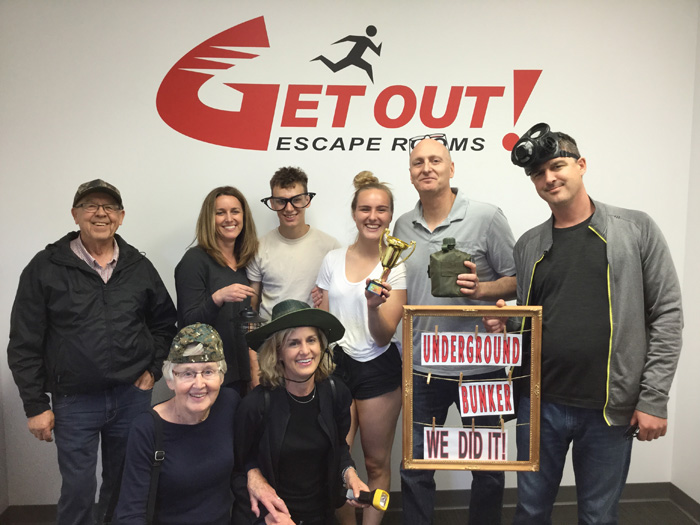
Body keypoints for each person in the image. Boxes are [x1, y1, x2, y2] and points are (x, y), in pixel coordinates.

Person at [502, 123, 683, 524]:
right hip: (539, 403)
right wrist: (509, 324)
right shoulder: (528, 244)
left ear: (581, 165)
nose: (549, 178)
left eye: (557, 166)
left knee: (599, 516)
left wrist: (654, 398)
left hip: (609, 408)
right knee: (529, 511)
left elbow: (667, 314)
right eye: (538, 173)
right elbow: (536, 318)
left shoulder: (635, 229)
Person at [7, 179, 177, 525]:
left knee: (124, 485)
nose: (100, 213)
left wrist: (152, 371)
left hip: (130, 397)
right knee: (78, 490)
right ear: (75, 214)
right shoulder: (45, 267)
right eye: (90, 206)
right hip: (74, 401)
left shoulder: (138, 267)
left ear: (121, 216)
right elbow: (24, 341)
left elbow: (164, 323)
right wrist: (35, 405)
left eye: (109, 207)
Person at [393, 136, 517, 525]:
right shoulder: (402, 225)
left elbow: (517, 279)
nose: (426, 168)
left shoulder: (486, 217)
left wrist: (483, 291)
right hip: (422, 367)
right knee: (415, 467)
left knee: (488, 468)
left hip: (483, 365)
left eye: (435, 160)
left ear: (451, 168)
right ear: (410, 174)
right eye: (418, 162)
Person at [316, 171, 406, 525]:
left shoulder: (395, 266)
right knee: (336, 460)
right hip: (335, 366)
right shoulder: (332, 259)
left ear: (390, 215)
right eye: (365, 209)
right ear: (354, 213)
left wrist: (372, 307)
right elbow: (324, 323)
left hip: (378, 367)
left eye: (381, 209)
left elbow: (383, 336)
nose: (373, 216)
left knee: (375, 463)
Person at [232, 299, 371, 525]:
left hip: (322, 516)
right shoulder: (255, 405)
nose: (305, 351)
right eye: (293, 343)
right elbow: (238, 468)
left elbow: (339, 447)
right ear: (278, 352)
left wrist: (349, 474)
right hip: (273, 518)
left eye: (311, 340)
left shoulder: (336, 393)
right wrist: (267, 513)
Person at [114, 323, 240, 524]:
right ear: (170, 380)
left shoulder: (229, 405)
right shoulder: (147, 428)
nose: (199, 384)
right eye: (187, 373)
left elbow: (247, 462)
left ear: (221, 377)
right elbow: (130, 513)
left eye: (208, 371)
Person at [175, 186, 259, 395]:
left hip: (242, 374)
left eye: (235, 211)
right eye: (220, 213)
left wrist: (253, 367)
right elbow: (188, 323)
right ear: (209, 219)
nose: (229, 219)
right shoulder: (194, 261)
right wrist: (217, 298)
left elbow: (248, 323)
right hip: (208, 378)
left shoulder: (247, 261)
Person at [247, 166, 340, 321]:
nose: (289, 208)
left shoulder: (330, 247)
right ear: (272, 203)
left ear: (307, 200)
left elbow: (339, 298)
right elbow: (252, 302)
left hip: (312, 332)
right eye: (281, 201)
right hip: (270, 333)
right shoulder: (258, 247)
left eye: (296, 200)